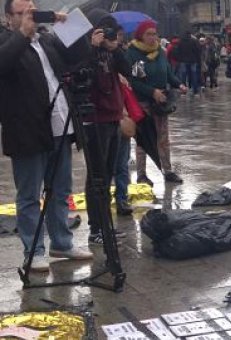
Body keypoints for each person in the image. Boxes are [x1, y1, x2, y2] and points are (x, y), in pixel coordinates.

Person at [0, 0, 93, 271]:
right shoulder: (7, 41)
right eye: (22, 13)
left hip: (60, 126)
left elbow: (80, 55)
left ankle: (62, 242)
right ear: (9, 18)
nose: (29, 17)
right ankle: (34, 250)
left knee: (60, 189)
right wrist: (22, 34)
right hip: (26, 130)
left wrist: (68, 25)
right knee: (29, 194)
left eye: (33, 11)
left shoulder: (48, 41)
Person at [83, 9, 131, 245]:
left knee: (109, 173)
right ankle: (96, 229)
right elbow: (82, 74)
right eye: (103, 28)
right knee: (97, 177)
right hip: (95, 119)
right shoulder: (84, 49)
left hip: (112, 115)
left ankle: (105, 225)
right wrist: (93, 48)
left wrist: (115, 48)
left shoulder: (112, 51)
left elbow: (128, 70)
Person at [125, 20, 188, 186]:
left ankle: (168, 171)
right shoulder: (132, 53)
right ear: (141, 35)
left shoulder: (161, 51)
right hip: (143, 102)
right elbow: (132, 81)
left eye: (154, 33)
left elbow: (168, 73)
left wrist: (179, 84)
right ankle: (142, 175)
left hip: (161, 103)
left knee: (163, 138)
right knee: (144, 140)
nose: (153, 37)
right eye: (149, 34)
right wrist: (152, 92)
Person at [113, 27, 134, 217]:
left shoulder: (120, 55)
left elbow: (128, 70)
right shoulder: (95, 54)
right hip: (105, 121)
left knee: (122, 164)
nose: (117, 40)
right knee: (109, 165)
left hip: (123, 117)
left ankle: (122, 198)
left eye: (119, 35)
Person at [173, 31, 201, 95]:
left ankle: (184, 90)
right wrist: (198, 60)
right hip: (193, 61)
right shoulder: (193, 41)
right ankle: (195, 90)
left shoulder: (181, 42)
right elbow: (197, 51)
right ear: (190, 35)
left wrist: (179, 59)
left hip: (183, 61)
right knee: (194, 75)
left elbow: (178, 51)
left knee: (183, 76)